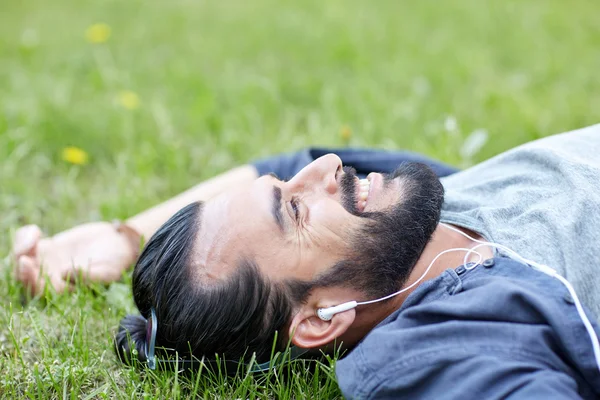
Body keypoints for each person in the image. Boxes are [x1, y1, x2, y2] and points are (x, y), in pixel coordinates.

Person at [13, 124, 600, 398]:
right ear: (321, 319)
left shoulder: (417, 210)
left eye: (286, 184)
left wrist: (125, 237)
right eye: (294, 210)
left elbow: (302, 154)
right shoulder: (452, 338)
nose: (326, 170)